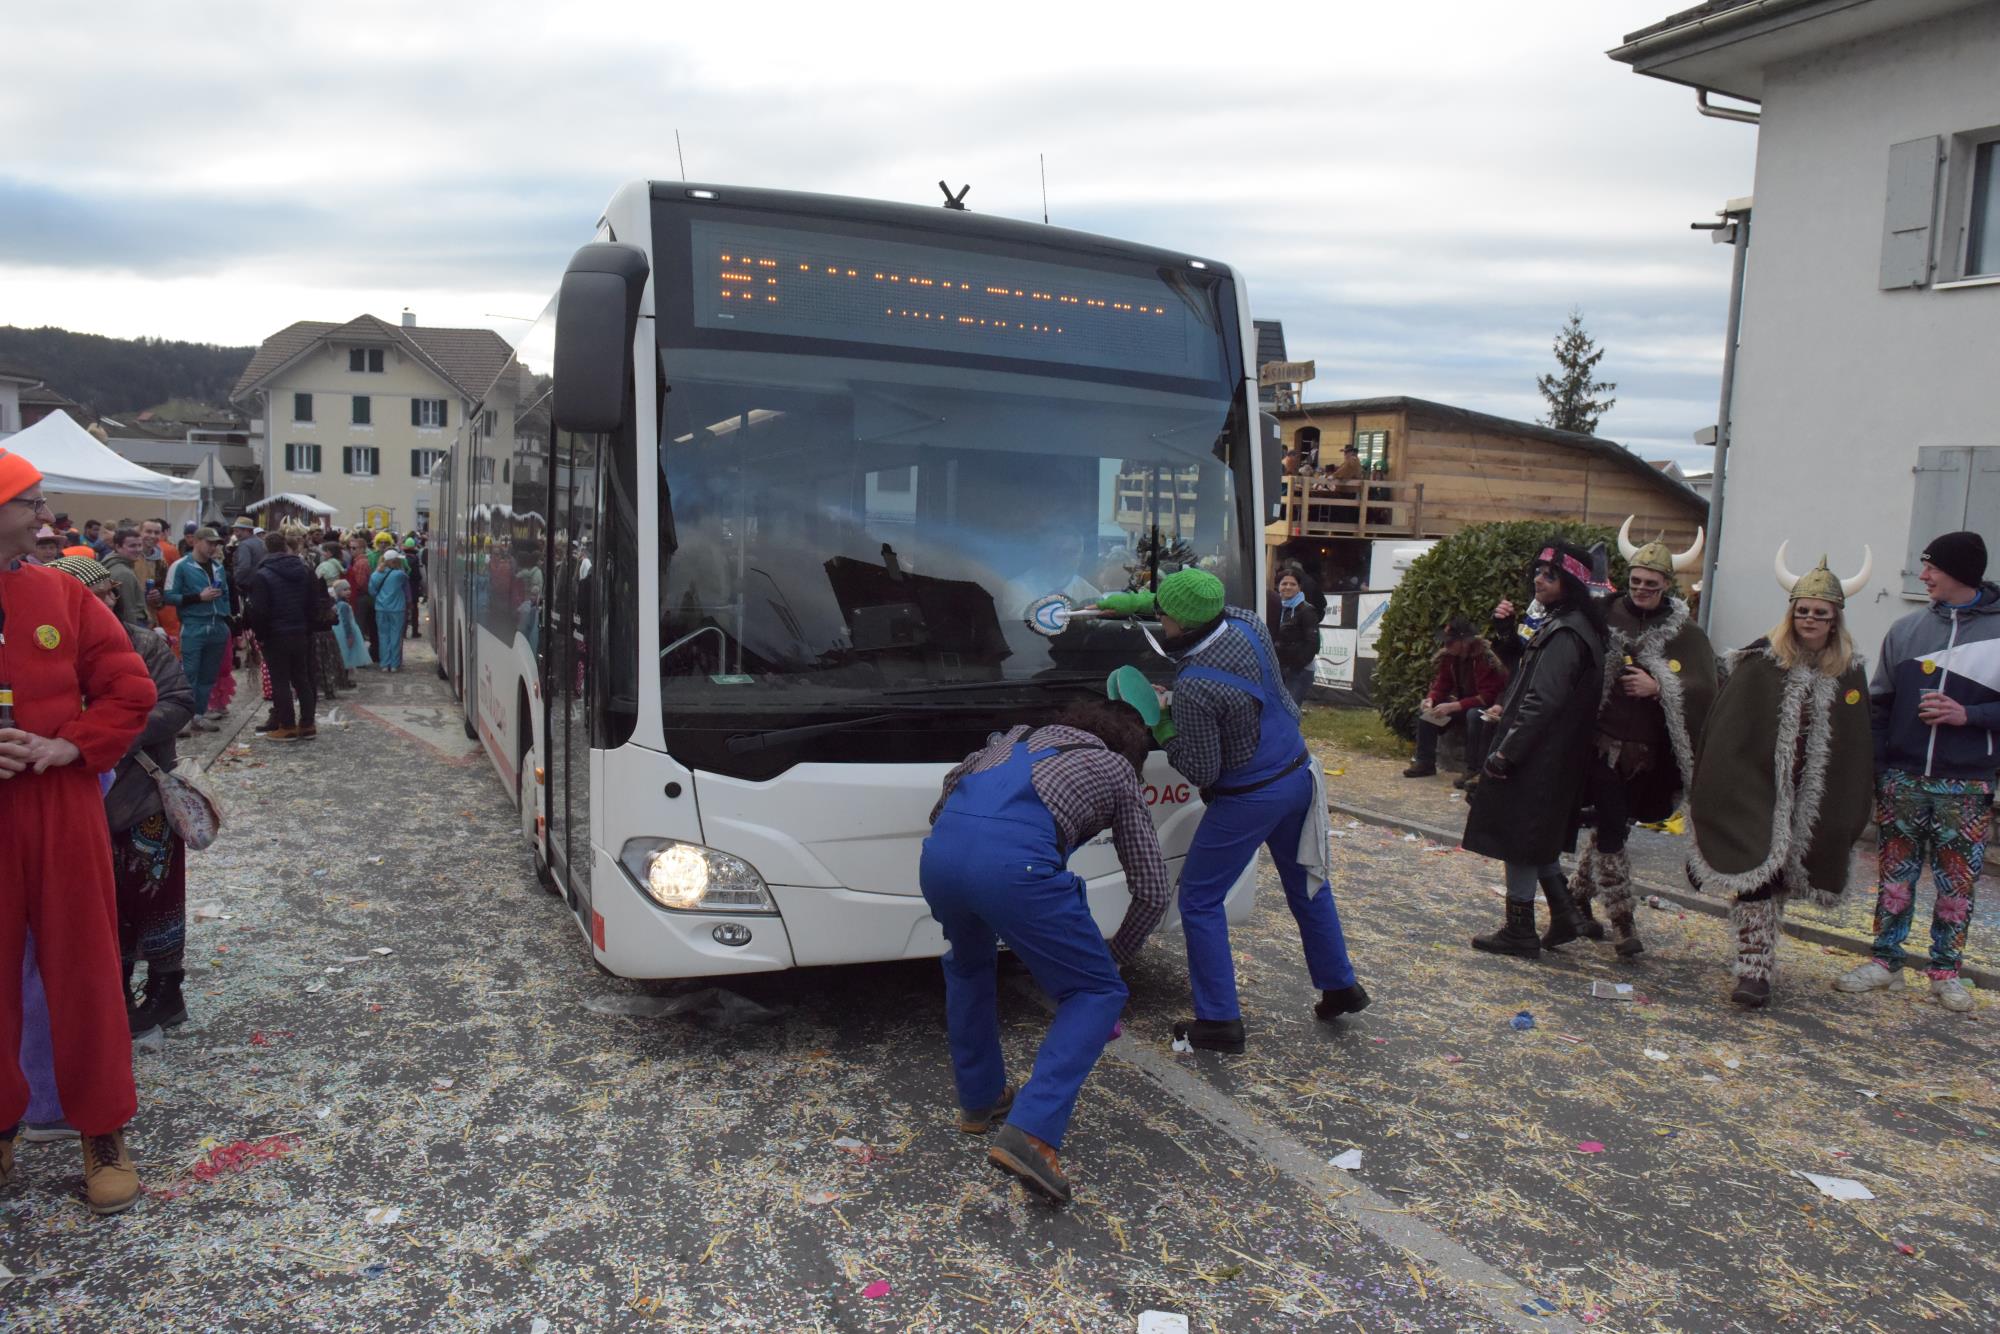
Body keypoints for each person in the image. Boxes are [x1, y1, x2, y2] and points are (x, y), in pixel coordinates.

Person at [1097, 568, 1368, 1052]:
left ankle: (1219, 1021)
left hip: (1249, 796)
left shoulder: (1198, 686)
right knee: (1308, 883)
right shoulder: (1246, 621)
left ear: (1178, 621)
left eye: (1162, 616)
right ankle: (1340, 985)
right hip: (1298, 772)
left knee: (1199, 899)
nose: (1160, 621)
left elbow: (1201, 768)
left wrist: (1161, 722)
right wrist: (1128, 604)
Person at [920, 696, 1170, 1205]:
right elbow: (1152, 887)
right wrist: (1115, 955)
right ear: (1131, 750)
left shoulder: (1010, 739)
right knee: (1096, 992)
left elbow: (945, 799)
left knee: (968, 968)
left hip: (940, 858)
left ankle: (980, 1099)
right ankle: (1031, 1133)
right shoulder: (1115, 767)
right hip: (1016, 867)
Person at [0, 447, 157, 1214]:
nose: (42, 517)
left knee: (85, 967)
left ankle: (103, 1128)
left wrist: (71, 743)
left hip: (60, 805)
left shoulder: (65, 594)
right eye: (27, 502)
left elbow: (132, 688)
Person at [1687, 549, 1873, 1007]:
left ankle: (1762, 953)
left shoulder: (1849, 672)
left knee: (1786, 875)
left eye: (1820, 614)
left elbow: (1857, 742)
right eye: (1803, 611)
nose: (1810, 620)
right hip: (1756, 788)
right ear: (1792, 614)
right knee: (1756, 874)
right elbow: (1728, 729)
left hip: (1813, 796)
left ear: (1835, 621)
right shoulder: (1760, 662)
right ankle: (1753, 971)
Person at [1836, 531, 2000, 1012]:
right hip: (1903, 780)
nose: (1922, 575)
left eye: (1931, 568)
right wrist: (1881, 771)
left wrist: (1969, 716)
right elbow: (1879, 707)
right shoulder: (1905, 631)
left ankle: (1946, 972)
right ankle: (1885, 963)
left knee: (1957, 884)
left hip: (1967, 783)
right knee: (1893, 878)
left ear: (1960, 573)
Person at [49, 556, 199, 1029]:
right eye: (92, 598)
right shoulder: (50, 653)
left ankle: (165, 992)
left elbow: (179, 703)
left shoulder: (143, 644)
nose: (105, 603)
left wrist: (112, 732)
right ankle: (113, 997)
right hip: (78, 802)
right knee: (100, 904)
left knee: (153, 897)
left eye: (106, 595)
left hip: (142, 795)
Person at [1567, 521, 1716, 955]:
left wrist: (1660, 687)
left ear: (1668, 584)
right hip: (1601, 747)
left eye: (1651, 583)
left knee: (1613, 830)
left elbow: (1705, 686)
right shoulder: (1602, 615)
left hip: (1650, 758)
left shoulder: (1684, 633)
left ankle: (1575, 899)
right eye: (1635, 581)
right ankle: (1623, 922)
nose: (1642, 589)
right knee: (1612, 829)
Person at [1462, 539, 1607, 958]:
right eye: (1539, 573)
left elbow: (1542, 701)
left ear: (1571, 584)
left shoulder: (1567, 631)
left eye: (1550, 575)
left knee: (1520, 837)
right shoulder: (1573, 624)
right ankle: (1564, 914)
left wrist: (1507, 751)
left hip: (1540, 755)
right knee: (1533, 833)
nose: (1538, 580)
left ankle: (1519, 930)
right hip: (1550, 754)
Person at [1405, 617, 1508, 786]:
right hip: (1462, 705)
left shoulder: (1484, 657)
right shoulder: (1449, 657)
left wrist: (1453, 706)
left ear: (1464, 641)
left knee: (1474, 716)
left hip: (1485, 708)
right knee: (1427, 714)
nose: (1446, 645)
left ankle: (1474, 769)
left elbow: (1487, 696)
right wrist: (1431, 699)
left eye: (1450, 642)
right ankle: (1425, 762)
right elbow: (1441, 685)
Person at [246, 531, 323, 742]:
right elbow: (313, 602)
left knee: (280, 680)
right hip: (301, 631)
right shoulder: (306, 570)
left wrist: (260, 636)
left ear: (266, 548)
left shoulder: (262, 575)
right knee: (302, 678)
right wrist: (308, 626)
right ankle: (308, 724)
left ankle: (287, 725)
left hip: (275, 633)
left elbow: (259, 611)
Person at [161, 526, 231, 734]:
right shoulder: (181, 566)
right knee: (190, 674)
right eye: (209, 543)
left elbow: (226, 593)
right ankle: (184, 718)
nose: (213, 548)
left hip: (217, 625)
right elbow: (169, 596)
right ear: (196, 542)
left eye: (216, 544)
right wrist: (198, 598)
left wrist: (227, 615)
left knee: (208, 675)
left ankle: (199, 714)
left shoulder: (218, 567)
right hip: (194, 625)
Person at [1267, 562, 1327, 705]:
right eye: (1284, 583)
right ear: (1278, 586)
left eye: (1293, 584)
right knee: (1278, 710)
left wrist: (1297, 664)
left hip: (1299, 671)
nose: (1288, 587)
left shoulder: (1307, 610)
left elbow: (1312, 643)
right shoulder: (1274, 607)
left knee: (1290, 711)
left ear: (1300, 587)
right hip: (1279, 669)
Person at [369, 549, 411, 672]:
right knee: (396, 635)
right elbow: (406, 579)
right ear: (395, 561)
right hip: (397, 609)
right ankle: (394, 664)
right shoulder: (399, 575)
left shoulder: (375, 575)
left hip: (381, 608)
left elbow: (372, 592)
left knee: (383, 635)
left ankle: (384, 663)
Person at [102, 527, 151, 629]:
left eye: (140, 545)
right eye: (132, 546)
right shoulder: (123, 573)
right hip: (134, 625)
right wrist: (136, 636)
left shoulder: (114, 564)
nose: (138, 550)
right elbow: (128, 610)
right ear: (118, 547)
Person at [401, 536, 425, 638]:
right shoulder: (415, 559)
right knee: (414, 610)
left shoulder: (401, 559)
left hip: (404, 589)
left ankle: (404, 632)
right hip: (413, 588)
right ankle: (414, 631)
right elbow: (418, 576)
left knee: (405, 611)